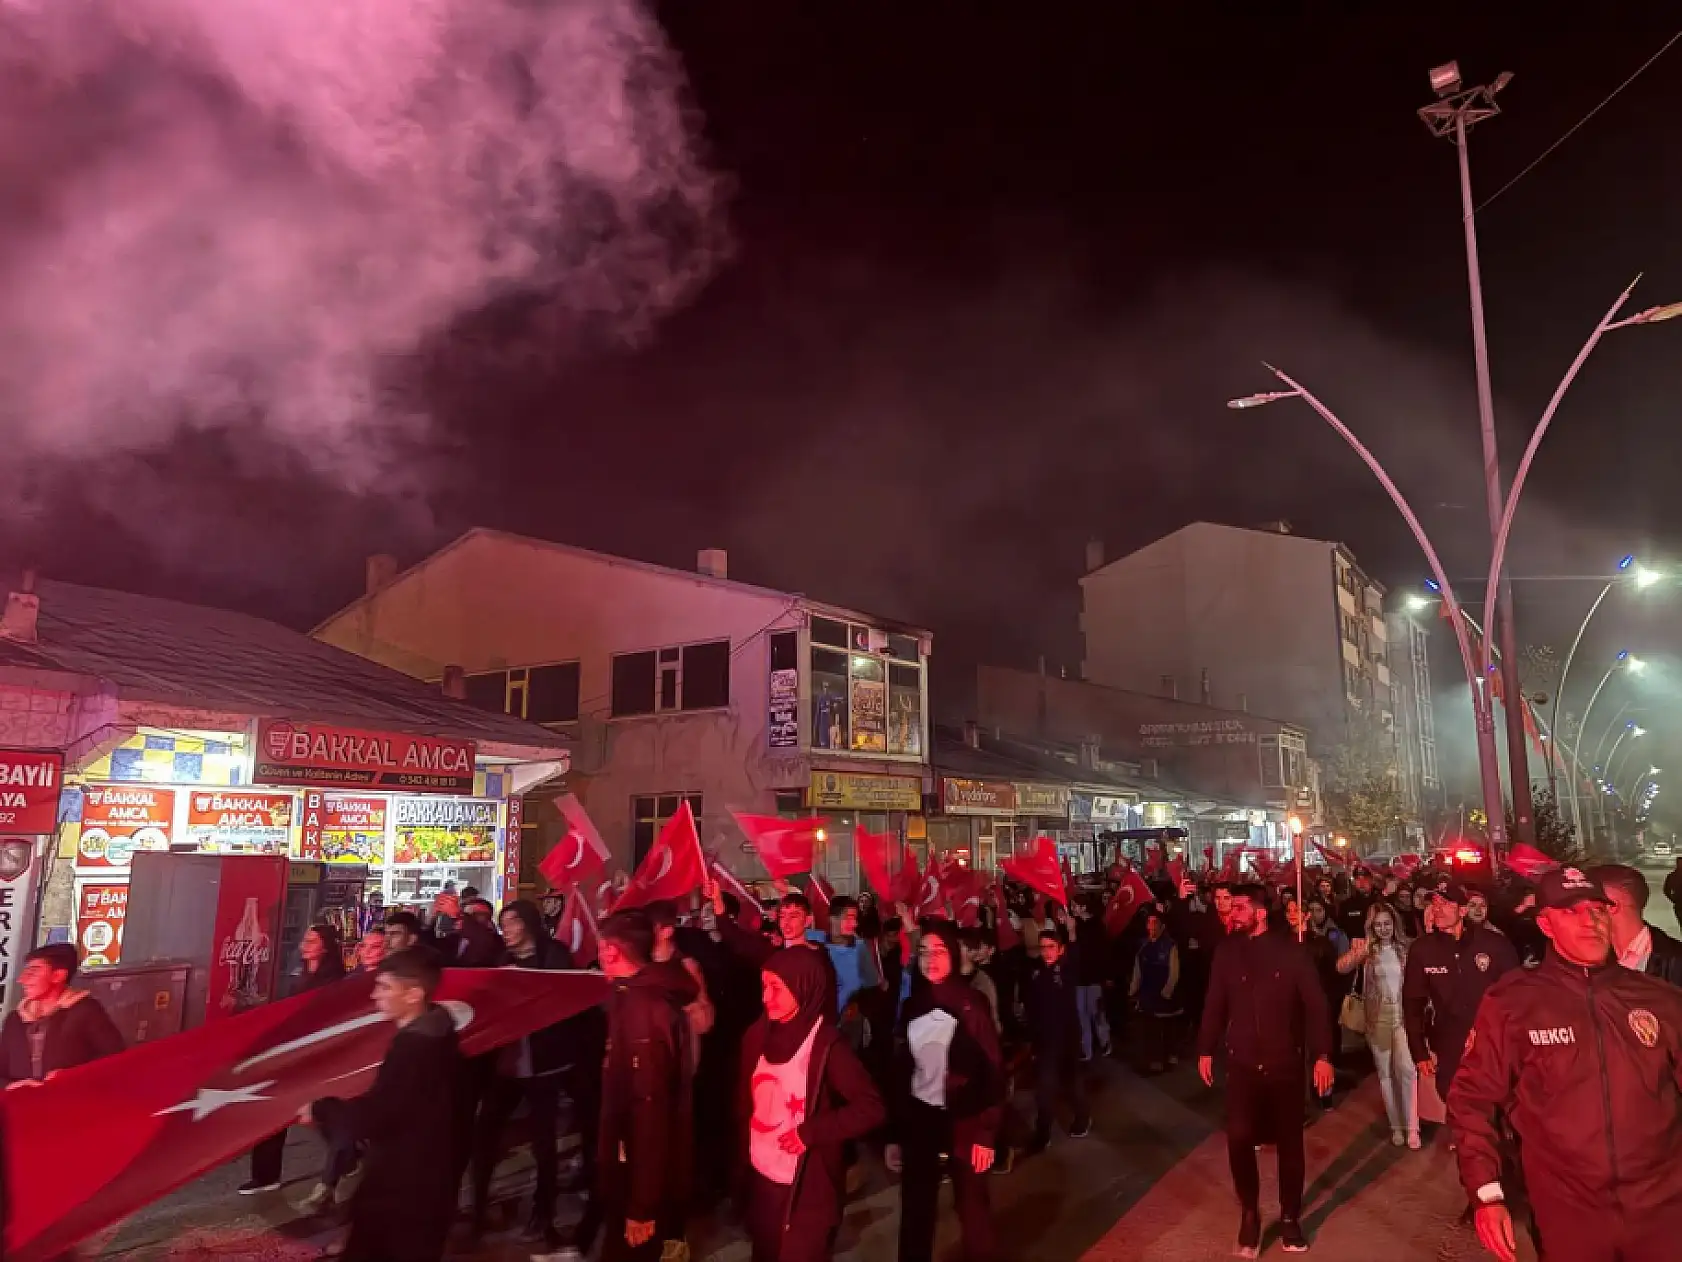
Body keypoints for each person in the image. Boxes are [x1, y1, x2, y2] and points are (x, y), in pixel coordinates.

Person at [1448, 866, 1682, 1262]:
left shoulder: (1661, 1000)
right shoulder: (1513, 1003)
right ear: (1545, 924)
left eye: (1597, 909)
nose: (1590, 921)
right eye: (1571, 912)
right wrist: (1486, 1193)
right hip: (1568, 1215)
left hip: (1663, 1213)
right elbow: (1472, 1099)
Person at [1197, 884, 1333, 1257]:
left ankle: (1290, 1217)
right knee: (1239, 1137)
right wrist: (1205, 1048)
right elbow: (1214, 1004)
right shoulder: (1227, 953)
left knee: (1290, 1144)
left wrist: (1322, 1055)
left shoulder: (1292, 952)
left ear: (1258, 912)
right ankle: (1249, 1213)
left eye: (1239, 907)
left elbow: (1317, 1007)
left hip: (1284, 1064)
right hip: (1241, 1064)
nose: (1232, 913)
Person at [304, 950, 462, 1262]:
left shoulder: (415, 1048)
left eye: (385, 987)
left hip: (404, 1187)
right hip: (425, 1180)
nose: (376, 995)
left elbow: (378, 1114)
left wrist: (322, 1110)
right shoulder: (439, 1035)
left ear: (414, 994)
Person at [737, 947, 885, 1262]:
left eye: (776, 988)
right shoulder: (756, 1036)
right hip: (763, 1182)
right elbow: (744, 1106)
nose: (766, 998)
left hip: (806, 1189)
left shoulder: (826, 1046)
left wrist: (811, 1132)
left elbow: (871, 1107)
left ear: (803, 985)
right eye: (763, 987)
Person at [573, 909, 697, 1262]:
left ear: (611, 952)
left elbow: (650, 1106)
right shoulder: (629, 995)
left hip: (639, 1167)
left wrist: (642, 1203)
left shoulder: (644, 1008)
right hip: (627, 1160)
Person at [889, 921, 1003, 1262]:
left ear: (954, 955)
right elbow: (900, 1073)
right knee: (916, 1207)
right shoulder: (913, 1005)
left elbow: (994, 1070)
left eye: (939, 951)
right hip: (921, 1117)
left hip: (965, 1118)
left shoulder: (972, 1005)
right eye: (923, 952)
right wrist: (894, 1134)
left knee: (971, 1206)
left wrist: (986, 1131)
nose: (930, 959)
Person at [470, 901, 579, 1247]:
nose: (508, 929)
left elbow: (565, 1001)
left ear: (529, 924)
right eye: (503, 923)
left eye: (513, 922)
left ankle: (542, 1212)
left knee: (543, 1141)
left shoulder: (554, 956)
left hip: (543, 1065)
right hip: (506, 1065)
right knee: (485, 1134)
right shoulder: (501, 961)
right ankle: (477, 1208)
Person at [245, 924, 347, 1197]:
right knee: (276, 1109)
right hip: (294, 1054)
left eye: (313, 940)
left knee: (322, 1113)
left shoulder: (335, 981)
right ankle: (265, 1175)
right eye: (306, 939)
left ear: (325, 946)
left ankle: (349, 1154)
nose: (306, 944)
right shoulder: (299, 978)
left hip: (318, 1057)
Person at [1403, 883, 1519, 1100]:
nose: (1437, 909)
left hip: (1494, 1046)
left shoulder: (1494, 944)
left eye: (1446, 903)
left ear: (1463, 910)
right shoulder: (1422, 950)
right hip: (1450, 1048)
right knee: (1459, 1112)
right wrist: (1419, 1051)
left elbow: (1516, 995)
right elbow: (1412, 1004)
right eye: (1434, 903)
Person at [1337, 902, 1418, 1147]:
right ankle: (1396, 1126)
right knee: (1385, 1074)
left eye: (1387, 924)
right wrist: (1362, 949)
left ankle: (1412, 1128)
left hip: (1403, 1016)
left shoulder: (1406, 948)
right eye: (1378, 925)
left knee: (1408, 1071)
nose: (1383, 929)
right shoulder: (1367, 950)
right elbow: (1341, 967)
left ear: (1395, 924)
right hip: (1377, 1016)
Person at [0, 944, 124, 1088]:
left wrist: (73, 1076)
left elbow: (115, 1060)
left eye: (33, 972)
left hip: (72, 1102)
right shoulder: (15, 1019)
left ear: (58, 975)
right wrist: (12, 1086)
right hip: (23, 1104)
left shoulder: (85, 1011)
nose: (22, 979)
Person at [1026, 926, 1091, 1150]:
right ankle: (1043, 1133)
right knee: (1044, 1089)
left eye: (1051, 947)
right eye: (1043, 947)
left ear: (1061, 949)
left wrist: (1072, 932)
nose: (1046, 952)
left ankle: (1082, 1117)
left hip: (1067, 1039)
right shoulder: (1036, 973)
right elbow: (1032, 1008)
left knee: (1071, 1083)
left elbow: (1076, 960)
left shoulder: (1067, 971)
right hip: (1045, 1041)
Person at [1588, 864, 1682, 987]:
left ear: (1612, 905)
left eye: (1588, 903)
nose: (1579, 912)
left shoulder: (1677, 963)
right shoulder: (1580, 959)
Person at [1128, 910, 1182, 1074]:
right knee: (1150, 1030)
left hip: (1164, 995)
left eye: (1155, 922)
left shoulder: (1170, 945)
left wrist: (1167, 991)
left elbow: (1174, 972)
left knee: (1166, 1029)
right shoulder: (1143, 945)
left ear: (1162, 926)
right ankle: (1155, 1061)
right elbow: (1137, 970)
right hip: (1148, 994)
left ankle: (1170, 1057)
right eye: (1149, 922)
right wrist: (1132, 990)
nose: (1151, 926)